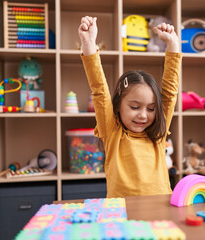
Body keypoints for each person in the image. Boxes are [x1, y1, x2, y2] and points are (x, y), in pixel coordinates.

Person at [78, 16, 182, 198]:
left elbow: (170, 92)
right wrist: (88, 43)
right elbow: (99, 90)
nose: (143, 115)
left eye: (151, 109)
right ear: (118, 106)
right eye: (135, 107)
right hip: (122, 213)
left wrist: (173, 45)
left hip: (161, 211)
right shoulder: (112, 131)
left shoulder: (158, 132)